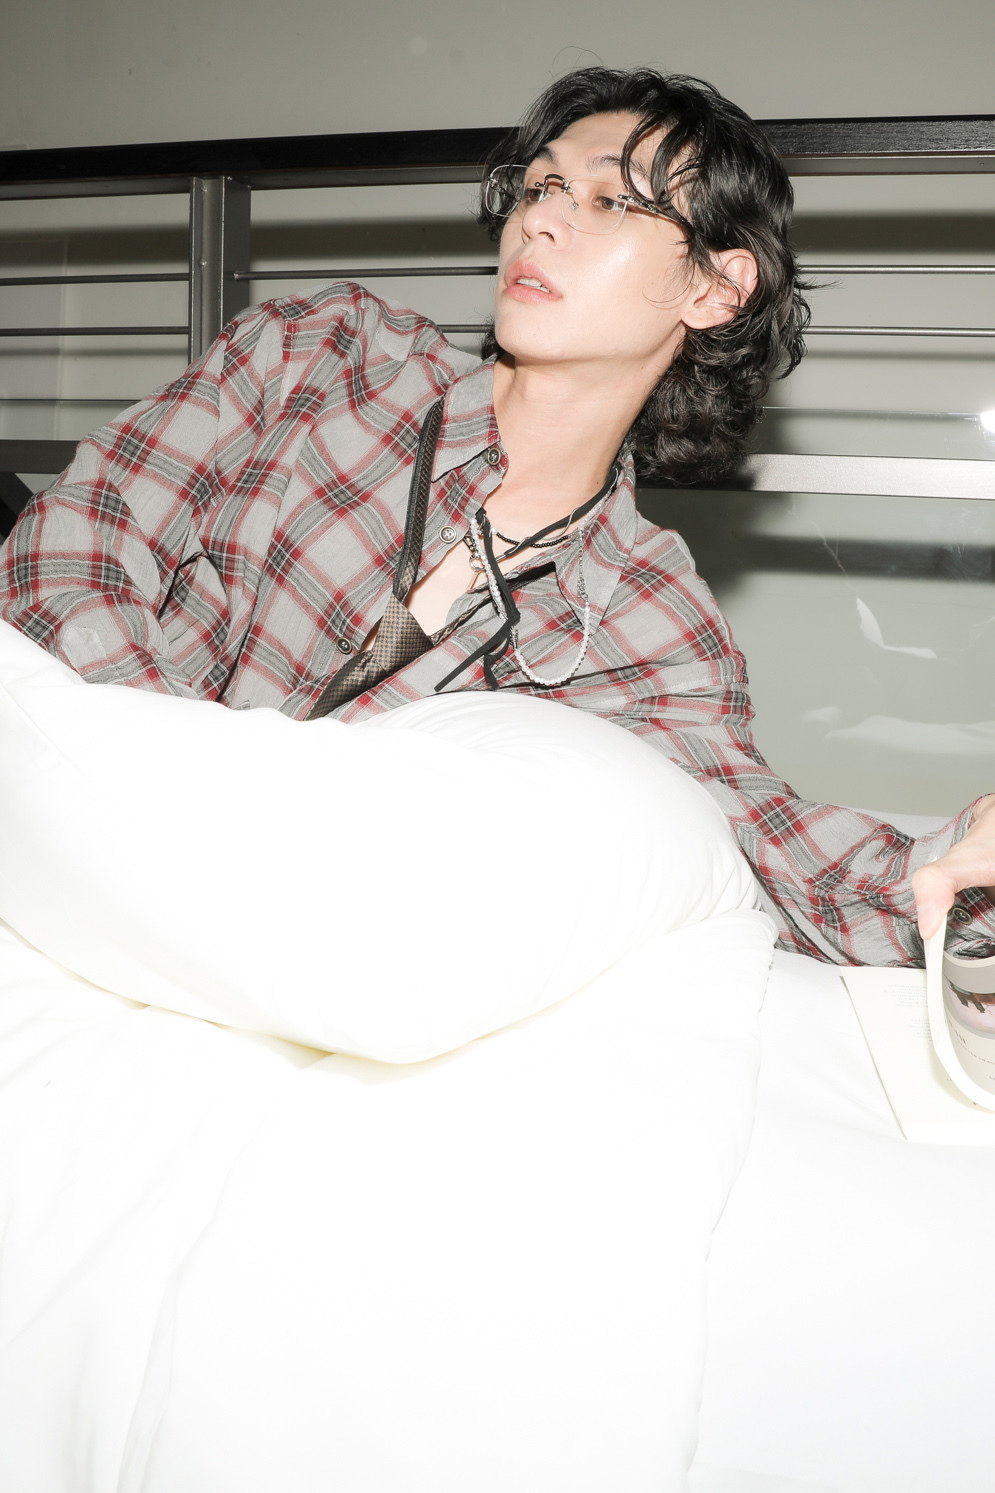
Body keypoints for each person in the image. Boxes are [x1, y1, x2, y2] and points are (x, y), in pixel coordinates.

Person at [1, 65, 992, 965]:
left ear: (714, 286)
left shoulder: (648, 617)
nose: (542, 219)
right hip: (67, 830)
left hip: (257, 947)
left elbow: (773, 847)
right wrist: (160, 780)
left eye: (607, 199)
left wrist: (963, 868)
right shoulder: (321, 356)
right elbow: (70, 548)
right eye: (540, 184)